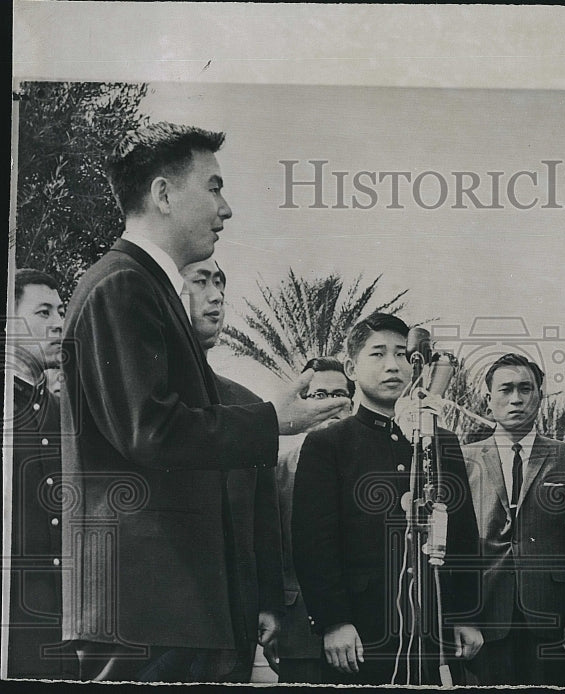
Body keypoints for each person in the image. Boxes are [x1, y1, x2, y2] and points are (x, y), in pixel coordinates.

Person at [59, 122, 349, 682]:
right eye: (213, 187)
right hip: (149, 607)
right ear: (164, 195)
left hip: (168, 607)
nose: (227, 207)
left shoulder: (141, 285)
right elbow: (151, 431)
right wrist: (272, 420)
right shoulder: (124, 284)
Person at [291, 312, 483, 685]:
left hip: (433, 629)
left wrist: (466, 615)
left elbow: (462, 533)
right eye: (377, 354)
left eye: (401, 354)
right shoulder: (329, 444)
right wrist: (334, 621)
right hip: (362, 632)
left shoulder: (441, 441)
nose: (392, 366)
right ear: (351, 366)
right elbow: (314, 542)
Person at [180, 257, 302, 682]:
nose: (216, 295)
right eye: (200, 281)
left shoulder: (248, 405)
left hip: (233, 613)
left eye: (221, 284)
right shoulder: (147, 404)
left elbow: (263, 515)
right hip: (158, 613)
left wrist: (268, 600)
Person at [461, 353, 565, 686]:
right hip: (485, 612)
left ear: (539, 394)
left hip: (548, 613)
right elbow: (456, 545)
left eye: (526, 388)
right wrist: (459, 616)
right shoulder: (463, 460)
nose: (516, 398)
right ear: (488, 398)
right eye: (506, 389)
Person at [6, 269, 76, 679]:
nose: (58, 324)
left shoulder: (58, 414)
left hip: (56, 617)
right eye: (43, 312)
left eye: (61, 312)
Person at [271, 357, 355, 683]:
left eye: (339, 395)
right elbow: (269, 547)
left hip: (362, 631)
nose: (330, 405)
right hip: (297, 631)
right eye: (319, 395)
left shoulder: (373, 471)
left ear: (352, 403)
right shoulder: (278, 468)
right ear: (303, 402)